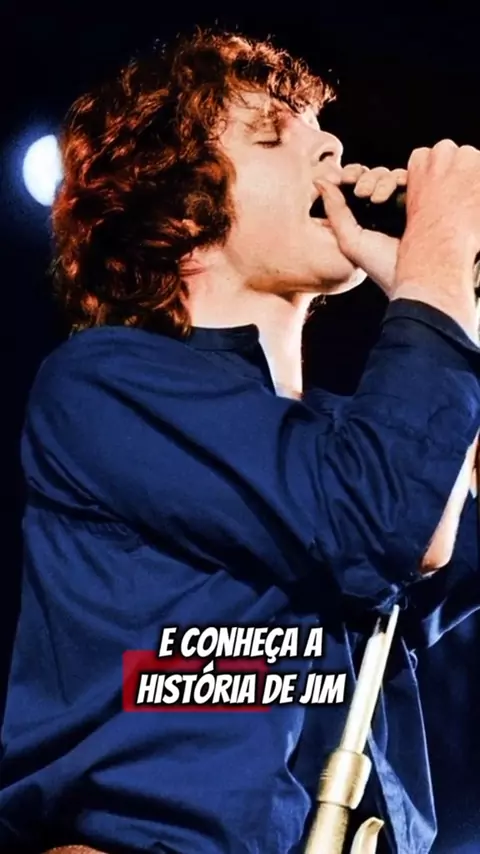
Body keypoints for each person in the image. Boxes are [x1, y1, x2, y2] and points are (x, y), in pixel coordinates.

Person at [2, 26, 480, 854]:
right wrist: (433, 269)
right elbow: (377, 516)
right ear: (184, 208)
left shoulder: (348, 442)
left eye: (319, 131)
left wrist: (454, 287)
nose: (330, 148)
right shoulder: (103, 385)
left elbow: (426, 537)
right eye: (270, 136)